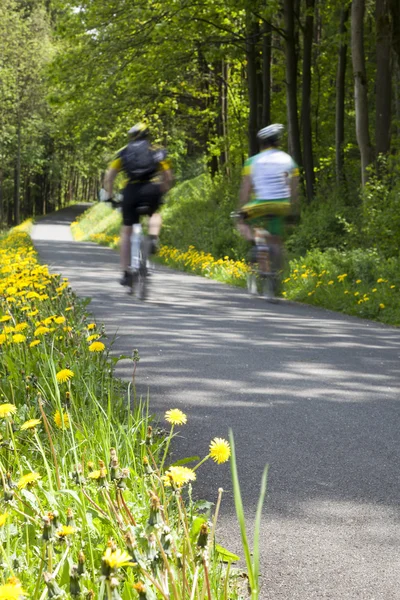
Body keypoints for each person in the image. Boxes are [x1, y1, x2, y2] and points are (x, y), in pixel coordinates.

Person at [102, 122, 173, 286]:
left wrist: (109, 196)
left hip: (131, 191)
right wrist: (163, 189)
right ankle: (153, 238)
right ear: (147, 135)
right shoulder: (156, 151)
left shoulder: (123, 153)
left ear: (131, 136)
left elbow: (109, 177)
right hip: (151, 189)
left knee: (126, 231)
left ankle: (126, 272)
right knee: (154, 213)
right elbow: (167, 174)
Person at [237, 123, 299, 270]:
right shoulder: (288, 160)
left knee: (241, 221)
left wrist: (240, 210)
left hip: (260, 205)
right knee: (276, 240)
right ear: (277, 141)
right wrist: (294, 211)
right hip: (281, 205)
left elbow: (245, 189)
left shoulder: (252, 161)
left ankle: (258, 244)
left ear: (261, 143)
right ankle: (276, 276)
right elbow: (294, 189)